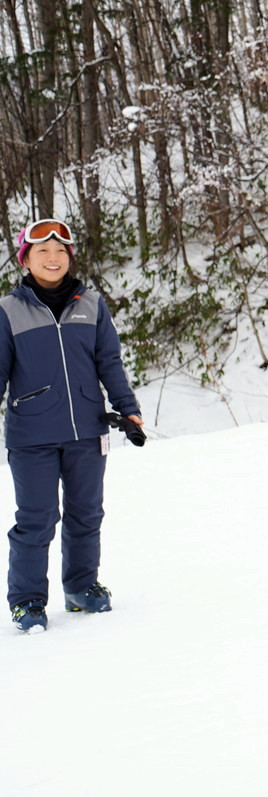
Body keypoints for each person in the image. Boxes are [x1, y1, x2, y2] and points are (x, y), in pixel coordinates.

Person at [1, 218, 143, 633]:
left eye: (60, 251)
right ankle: (27, 601)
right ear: (25, 258)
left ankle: (81, 587)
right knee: (37, 518)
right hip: (32, 436)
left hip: (87, 429)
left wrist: (128, 409)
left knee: (86, 513)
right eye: (42, 251)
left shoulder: (92, 305)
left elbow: (109, 362)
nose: (53, 258)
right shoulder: (8, 311)